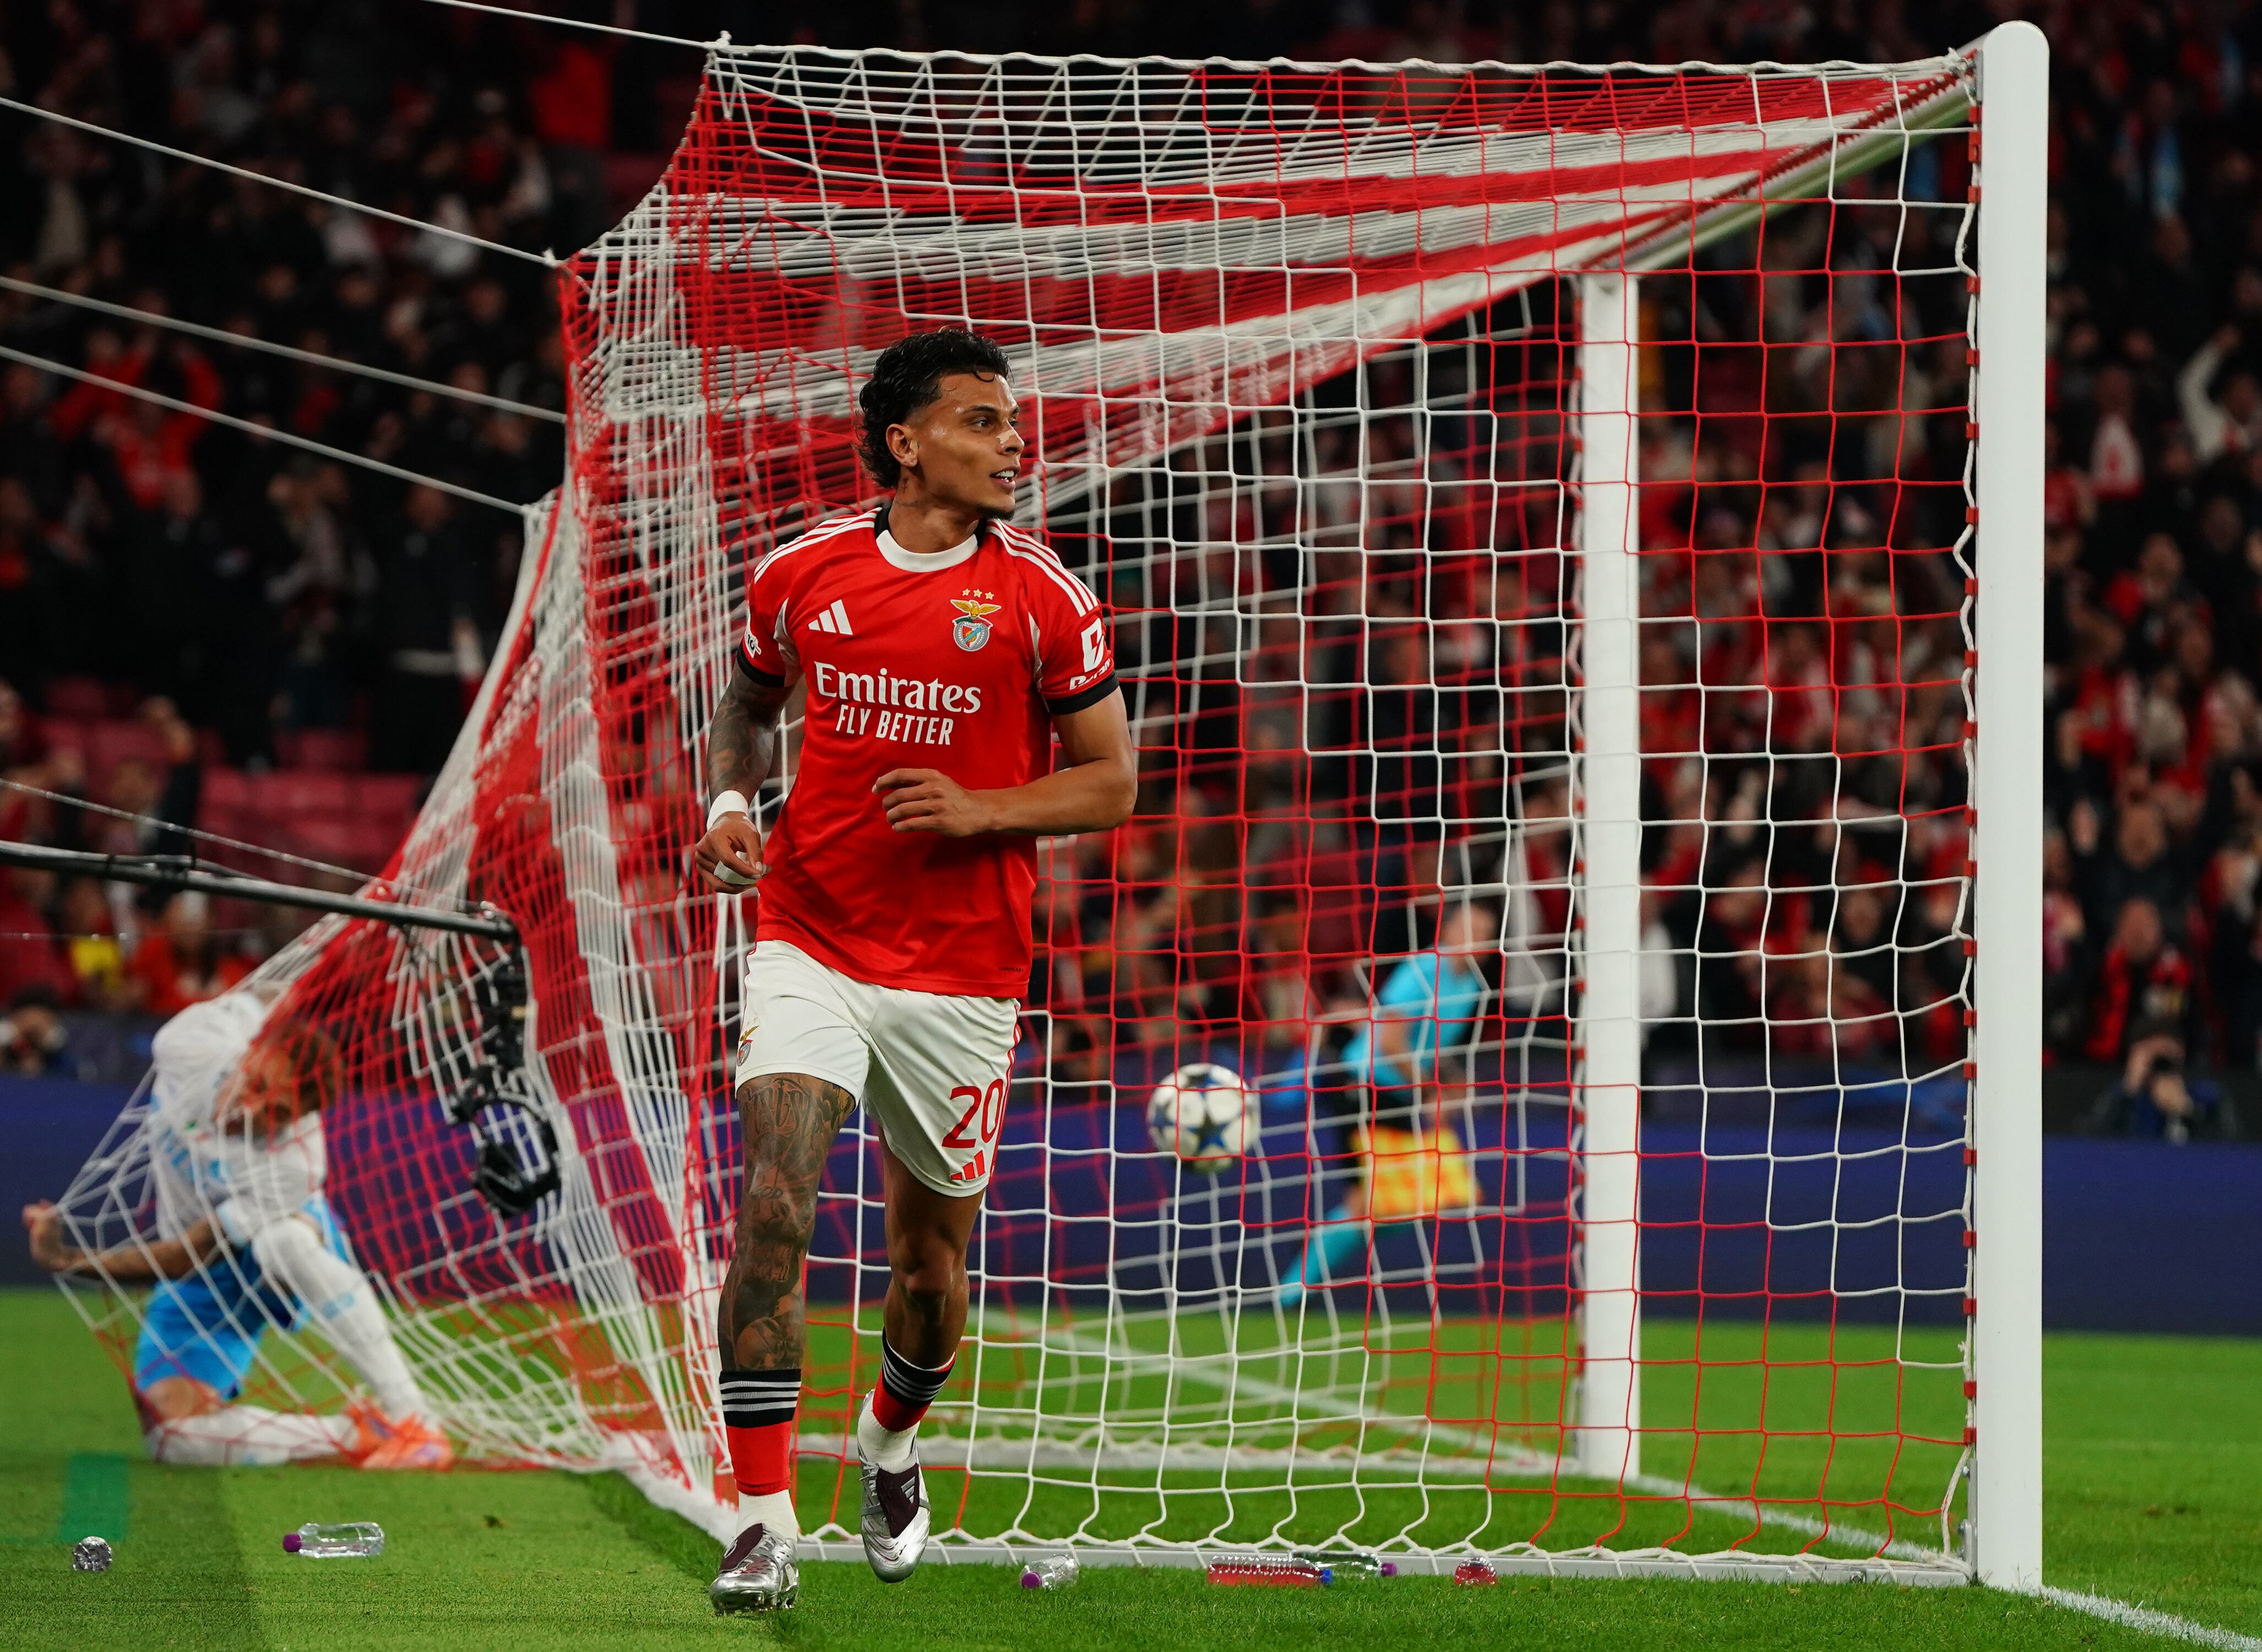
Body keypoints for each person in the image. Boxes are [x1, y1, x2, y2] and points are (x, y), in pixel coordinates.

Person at [690, 328, 1135, 1612]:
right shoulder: (799, 572)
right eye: (983, 421)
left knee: (927, 1267)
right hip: (808, 935)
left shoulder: (1044, 596)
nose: (1012, 443)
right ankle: (762, 1517)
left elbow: (1111, 779)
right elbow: (751, 697)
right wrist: (732, 796)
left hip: (961, 971)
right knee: (772, 1205)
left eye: (1009, 422)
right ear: (905, 441)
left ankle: (889, 1441)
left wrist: (978, 807)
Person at [20, 984, 450, 1470]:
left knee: (281, 1242)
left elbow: (191, 1251)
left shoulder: (295, 1164)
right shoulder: (190, 1046)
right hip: (204, 1282)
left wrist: (70, 1261)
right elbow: (262, 993)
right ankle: (355, 1433)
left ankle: (416, 1421)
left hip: (263, 1251)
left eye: (280, 1113)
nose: (255, 1111)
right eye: (260, 1086)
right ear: (252, 1052)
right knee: (173, 1439)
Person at [1277, 901, 1498, 1307]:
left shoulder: (1470, 988)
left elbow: (1432, 1050)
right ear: (1447, 932)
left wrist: (1454, 1085)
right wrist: (1433, 1091)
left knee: (1418, 1201)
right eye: (1468, 928)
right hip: (1363, 1087)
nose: (1475, 940)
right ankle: (1289, 1293)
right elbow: (1391, 1042)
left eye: (1484, 933)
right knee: (1371, 1202)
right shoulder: (1422, 969)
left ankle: (1299, 1278)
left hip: (1400, 1096)